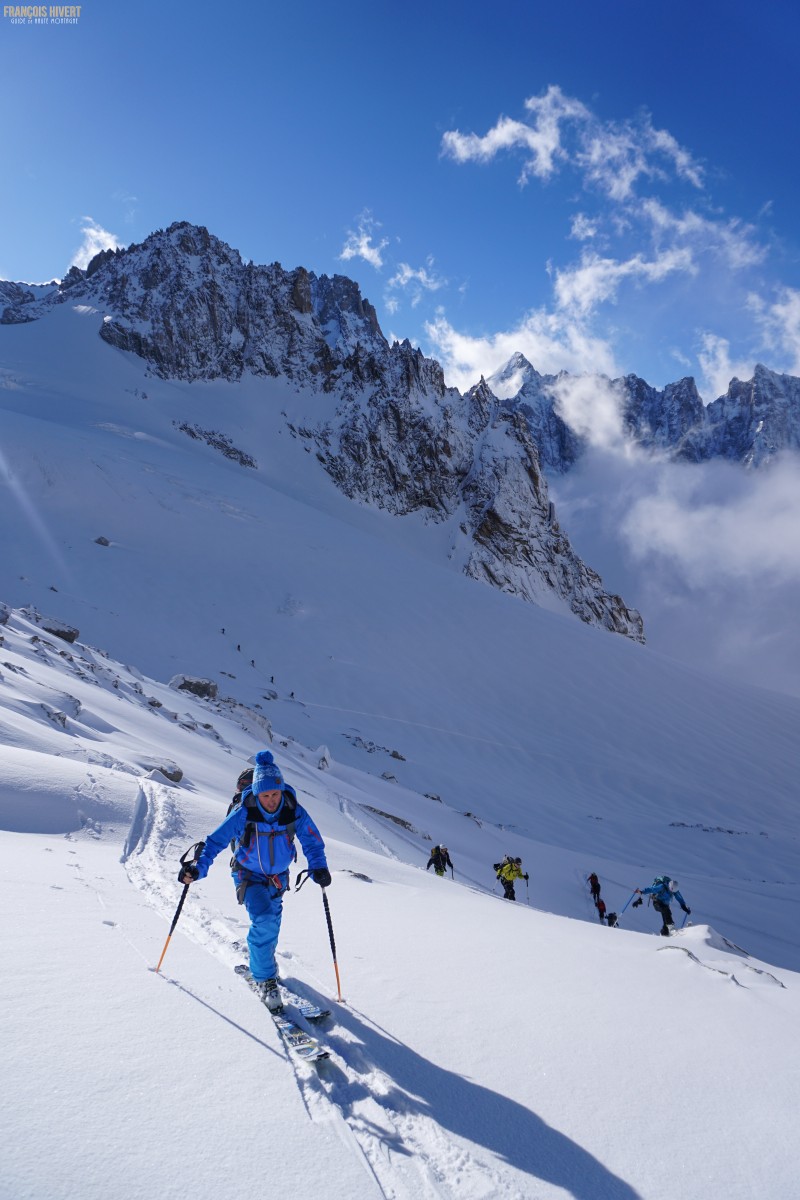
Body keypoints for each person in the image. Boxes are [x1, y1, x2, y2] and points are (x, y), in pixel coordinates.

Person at [178, 750, 330, 1009]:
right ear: (257, 793)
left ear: (281, 790)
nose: (271, 800)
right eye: (265, 795)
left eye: (274, 794)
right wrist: (197, 868)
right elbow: (215, 842)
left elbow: (312, 841)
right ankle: (265, 979)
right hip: (247, 874)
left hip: (279, 878)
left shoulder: (293, 810)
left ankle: (264, 964)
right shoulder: (243, 813)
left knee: (272, 924)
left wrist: (319, 866)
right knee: (264, 919)